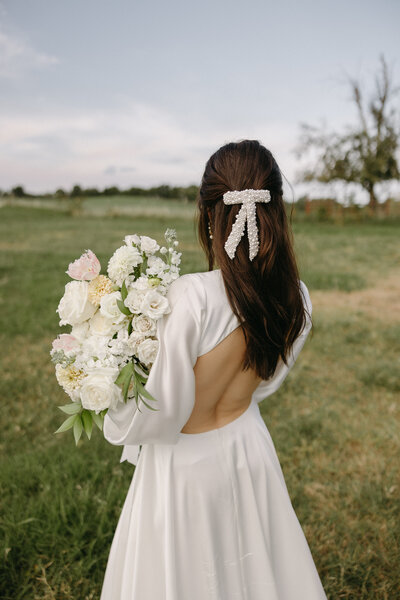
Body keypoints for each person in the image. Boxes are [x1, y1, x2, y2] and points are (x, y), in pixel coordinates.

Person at [100, 139, 327, 599]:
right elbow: (266, 383)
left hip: (183, 467)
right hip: (250, 447)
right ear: (277, 211)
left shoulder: (189, 297)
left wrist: (110, 391)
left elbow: (158, 411)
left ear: (209, 214)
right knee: (257, 565)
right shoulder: (295, 297)